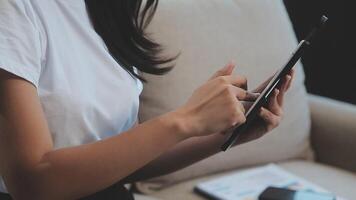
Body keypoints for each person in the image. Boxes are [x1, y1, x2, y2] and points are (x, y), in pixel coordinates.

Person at [0, 0, 294, 199]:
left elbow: (126, 159)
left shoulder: (108, 10)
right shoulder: (13, 10)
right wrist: (186, 118)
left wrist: (227, 134)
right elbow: (32, 180)